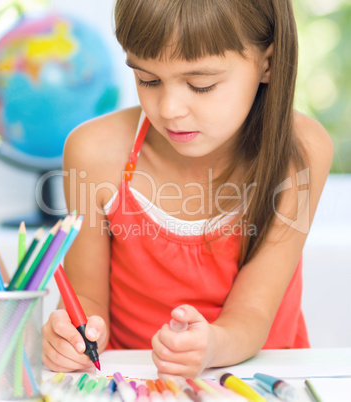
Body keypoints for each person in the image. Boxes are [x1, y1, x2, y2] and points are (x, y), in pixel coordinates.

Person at [42, 0, 333, 378]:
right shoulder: (95, 152)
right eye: (147, 79)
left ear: (268, 63)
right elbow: (87, 300)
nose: (169, 109)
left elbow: (253, 311)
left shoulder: (300, 150)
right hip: (139, 383)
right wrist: (73, 336)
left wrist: (212, 345)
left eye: (201, 85)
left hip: (263, 380)